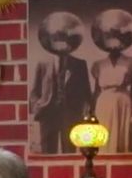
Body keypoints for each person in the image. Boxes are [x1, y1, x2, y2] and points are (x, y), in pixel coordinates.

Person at [29, 10, 93, 155]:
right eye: (56, 40)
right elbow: (34, 91)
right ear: (51, 42)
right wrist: (37, 106)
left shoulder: (79, 64)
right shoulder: (42, 64)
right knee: (47, 150)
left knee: (69, 149)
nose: (60, 44)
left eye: (63, 40)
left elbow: (86, 92)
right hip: (48, 113)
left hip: (70, 113)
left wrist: (86, 111)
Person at [89, 9, 132, 154]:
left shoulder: (131, 62)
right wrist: (91, 112)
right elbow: (96, 91)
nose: (113, 43)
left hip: (123, 102)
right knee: (103, 137)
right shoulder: (98, 64)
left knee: (122, 138)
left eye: (117, 38)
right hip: (104, 102)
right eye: (109, 38)